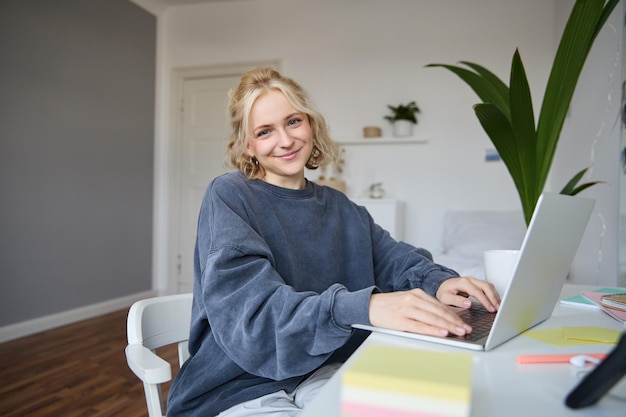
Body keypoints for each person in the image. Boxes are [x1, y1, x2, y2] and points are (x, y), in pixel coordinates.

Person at [166, 67, 500, 417]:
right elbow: (256, 317)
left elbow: (394, 260)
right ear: (247, 145)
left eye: (293, 122)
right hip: (238, 385)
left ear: (311, 124)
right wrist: (365, 307)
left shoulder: (341, 207)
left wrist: (441, 282)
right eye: (265, 131)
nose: (285, 140)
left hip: (321, 370)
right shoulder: (230, 195)